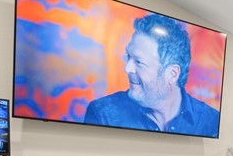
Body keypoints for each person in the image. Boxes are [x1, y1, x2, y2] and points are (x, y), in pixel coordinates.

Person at [84, 14, 220, 135]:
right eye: (128, 56)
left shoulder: (211, 121)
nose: (127, 68)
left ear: (172, 74)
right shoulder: (103, 114)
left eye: (139, 62)